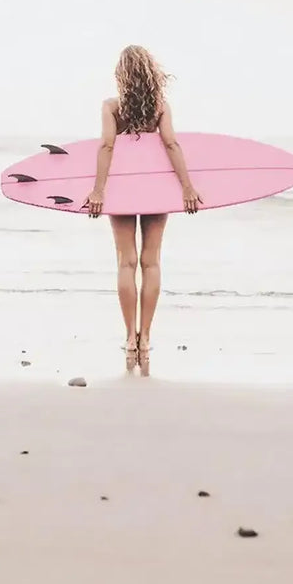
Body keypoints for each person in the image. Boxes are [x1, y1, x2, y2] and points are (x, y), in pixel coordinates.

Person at [82, 45, 202, 376]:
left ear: (121, 75)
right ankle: (145, 337)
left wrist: (98, 190)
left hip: (122, 191)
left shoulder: (112, 107)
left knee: (126, 261)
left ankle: (129, 337)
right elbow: (171, 144)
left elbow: (107, 145)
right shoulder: (160, 108)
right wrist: (187, 187)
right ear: (150, 74)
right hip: (155, 190)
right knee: (151, 262)